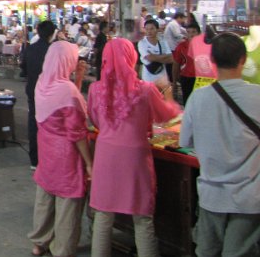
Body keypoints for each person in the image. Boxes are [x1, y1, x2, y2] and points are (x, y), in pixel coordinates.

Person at [88, 38, 181, 257]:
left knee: (103, 215)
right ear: (131, 57)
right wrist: (168, 93)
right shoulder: (145, 89)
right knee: (142, 217)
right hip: (135, 158)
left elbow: (95, 120)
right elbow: (166, 116)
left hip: (106, 156)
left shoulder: (95, 89)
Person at [178, 33, 260, 257]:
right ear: (243, 59)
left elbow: (185, 142)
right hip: (249, 198)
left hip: (211, 195)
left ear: (212, 60)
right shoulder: (257, 96)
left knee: (207, 251)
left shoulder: (197, 98)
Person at [27, 41, 92, 257]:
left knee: (45, 195)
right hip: (66, 154)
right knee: (67, 202)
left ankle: (39, 242)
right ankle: (62, 249)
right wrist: (89, 163)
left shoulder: (42, 82)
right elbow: (77, 132)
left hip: (46, 149)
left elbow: (65, 104)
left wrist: (78, 79)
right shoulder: (67, 90)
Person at [20, 20, 57, 169]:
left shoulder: (30, 49)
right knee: (50, 124)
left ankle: (34, 160)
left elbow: (23, 69)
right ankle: (48, 157)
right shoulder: (53, 50)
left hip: (33, 90)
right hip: (50, 92)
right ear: (52, 34)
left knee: (33, 123)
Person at [171, 21, 200, 104]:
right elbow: (176, 65)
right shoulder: (181, 47)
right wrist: (174, 82)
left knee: (199, 102)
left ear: (198, 33)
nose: (191, 34)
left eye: (193, 32)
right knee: (188, 102)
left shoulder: (204, 46)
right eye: (188, 32)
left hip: (200, 78)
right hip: (186, 78)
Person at [137, 19, 173, 83]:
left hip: (162, 76)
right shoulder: (142, 42)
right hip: (148, 77)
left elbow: (171, 59)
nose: (149, 31)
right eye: (147, 29)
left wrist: (154, 57)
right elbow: (149, 58)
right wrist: (164, 57)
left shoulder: (163, 41)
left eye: (152, 29)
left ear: (157, 29)